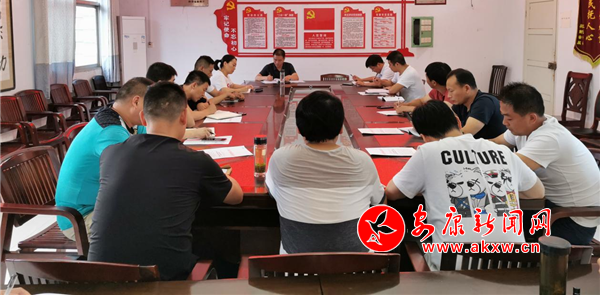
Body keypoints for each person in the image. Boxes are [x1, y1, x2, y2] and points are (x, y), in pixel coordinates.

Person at [88, 82, 243, 281]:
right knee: (222, 248)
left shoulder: (111, 153)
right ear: (183, 116)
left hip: (100, 280)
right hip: (161, 284)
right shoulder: (195, 161)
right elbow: (236, 196)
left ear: (143, 118)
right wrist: (222, 174)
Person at [386, 100, 544, 271]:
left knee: (410, 241)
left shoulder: (428, 152)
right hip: (511, 271)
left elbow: (392, 192)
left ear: (424, 137)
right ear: (458, 121)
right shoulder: (503, 151)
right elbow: (537, 192)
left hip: (454, 275)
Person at [266, 91, 384, 254]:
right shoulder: (362, 161)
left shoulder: (280, 158)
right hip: (358, 265)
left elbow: (272, 192)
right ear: (341, 128)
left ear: (299, 129)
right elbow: (379, 202)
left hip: (295, 265)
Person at [492, 82, 600, 245]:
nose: (504, 122)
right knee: (499, 215)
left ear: (531, 117)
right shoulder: (527, 126)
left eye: (509, 118)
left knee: (499, 222)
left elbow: (508, 170)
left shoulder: (549, 138)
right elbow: (495, 143)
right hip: (550, 207)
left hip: (572, 220)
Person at [55, 77, 154, 239]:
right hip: (80, 218)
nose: (153, 112)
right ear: (136, 102)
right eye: (151, 105)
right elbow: (133, 174)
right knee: (156, 217)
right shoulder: (110, 131)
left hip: (101, 206)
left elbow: (154, 139)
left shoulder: (126, 120)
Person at [447, 68, 506, 140]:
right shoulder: (460, 103)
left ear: (466, 88)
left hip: (494, 146)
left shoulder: (484, 102)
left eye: (451, 91)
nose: (448, 96)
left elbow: (464, 135)